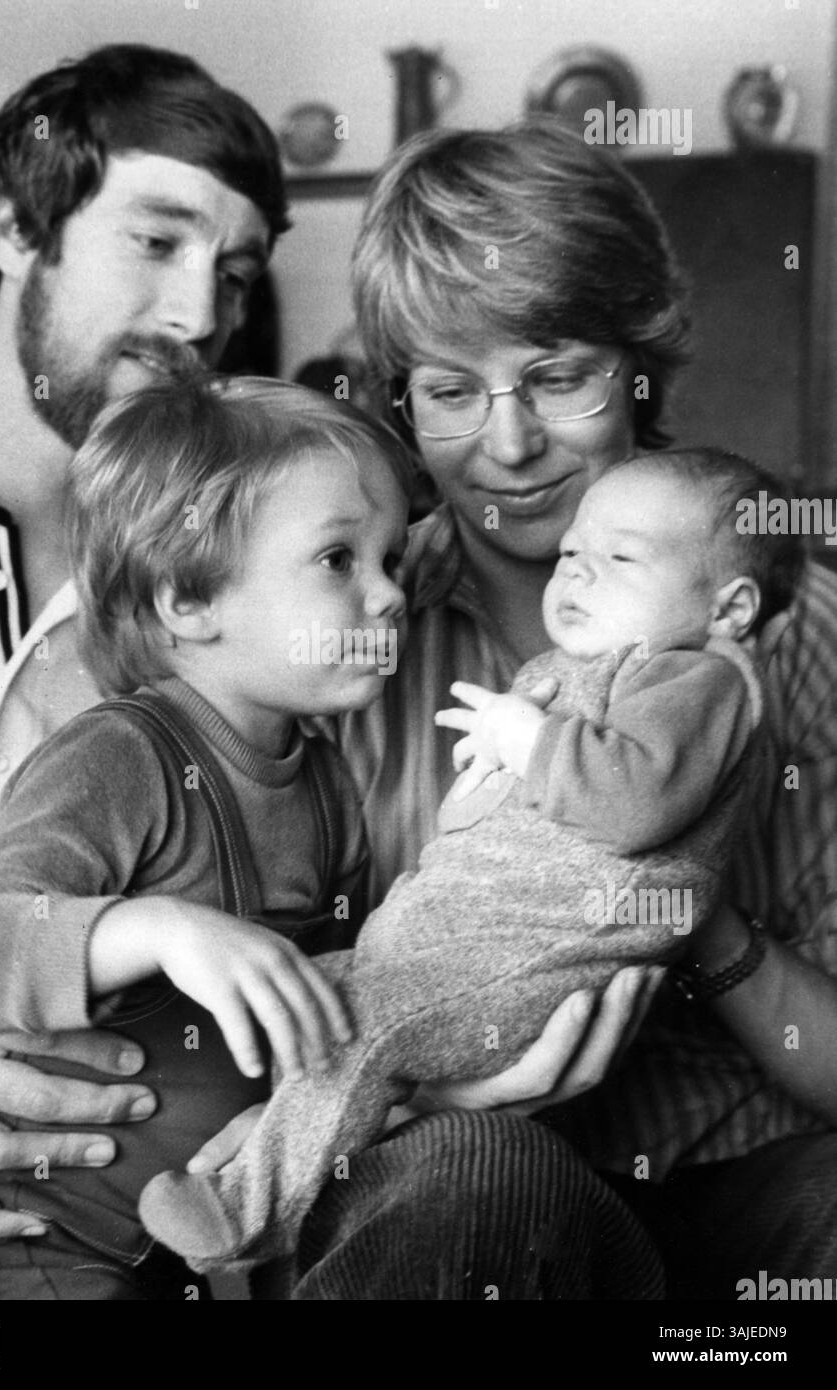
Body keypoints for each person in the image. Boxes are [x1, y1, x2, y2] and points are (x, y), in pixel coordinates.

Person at [0, 47, 652, 1300]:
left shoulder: (253, 570)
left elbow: (329, 1009)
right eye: (155, 243)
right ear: (14, 227)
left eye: (231, 271)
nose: (196, 313)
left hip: (175, 1185)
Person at [275, 122, 836, 1301]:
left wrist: (695, 916)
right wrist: (435, 1094)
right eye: (450, 390)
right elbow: (260, 1014)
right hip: (442, 1174)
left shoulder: (804, 632)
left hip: (748, 1181)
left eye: (559, 375)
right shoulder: (352, 633)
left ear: (641, 364)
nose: (509, 443)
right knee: (476, 1177)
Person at [136, 447, 797, 1271]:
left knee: (365, 1027)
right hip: (483, 943)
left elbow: (630, 805)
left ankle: (245, 1216)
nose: (578, 576)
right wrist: (492, 768)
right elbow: (478, 823)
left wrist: (524, 739)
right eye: (572, 556)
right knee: (319, 997)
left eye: (619, 559)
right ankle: (258, 1162)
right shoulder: (566, 673)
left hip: (557, 949)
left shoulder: (700, 676)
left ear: (731, 607)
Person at [0, 377, 410, 1297]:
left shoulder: (330, 789)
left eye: (393, 557)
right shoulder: (119, 755)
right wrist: (162, 929)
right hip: (29, 1242)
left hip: (187, 1255)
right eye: (340, 560)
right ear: (187, 598)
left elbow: (333, 1026)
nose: (387, 596)